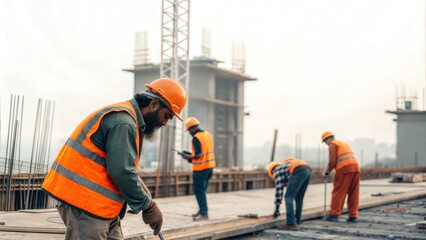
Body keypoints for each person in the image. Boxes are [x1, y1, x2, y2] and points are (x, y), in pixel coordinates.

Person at [42, 78, 187, 239]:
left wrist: (148, 201)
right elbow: (121, 172)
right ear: (153, 104)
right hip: (85, 204)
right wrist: (148, 207)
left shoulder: (129, 120)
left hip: (103, 208)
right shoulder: (124, 122)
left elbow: (125, 168)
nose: (165, 123)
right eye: (166, 115)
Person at [181, 116, 216, 221]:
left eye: (189, 131)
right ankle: (202, 210)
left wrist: (187, 157)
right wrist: (191, 156)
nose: (189, 133)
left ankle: (204, 213)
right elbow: (204, 152)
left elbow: (199, 155)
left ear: (192, 128)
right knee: (202, 191)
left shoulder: (196, 138)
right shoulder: (207, 135)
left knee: (199, 192)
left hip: (200, 169)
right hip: (209, 168)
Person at [321, 131, 360, 223]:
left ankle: (334, 215)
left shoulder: (333, 144)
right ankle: (353, 216)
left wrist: (327, 172)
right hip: (356, 167)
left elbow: (332, 162)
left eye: (325, 142)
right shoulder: (343, 143)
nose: (326, 144)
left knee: (338, 191)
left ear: (328, 139)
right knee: (353, 192)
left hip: (344, 168)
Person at [267, 157, 311, 231]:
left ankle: (291, 223)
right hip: (307, 169)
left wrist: (277, 208)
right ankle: (297, 221)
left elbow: (279, 191)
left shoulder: (277, 171)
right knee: (299, 198)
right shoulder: (285, 166)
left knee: (288, 197)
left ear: (272, 171)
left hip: (298, 169)